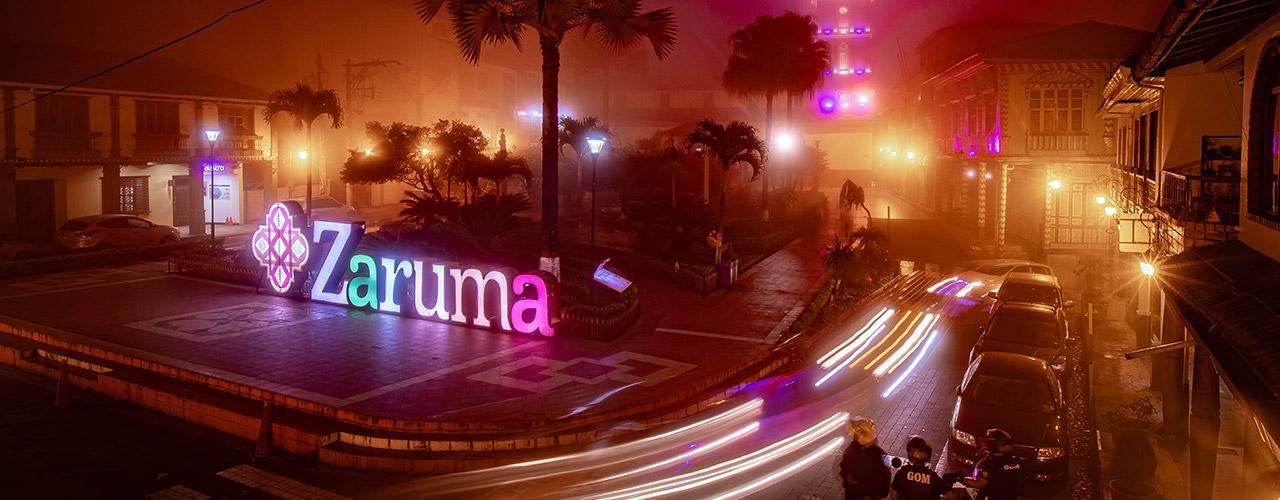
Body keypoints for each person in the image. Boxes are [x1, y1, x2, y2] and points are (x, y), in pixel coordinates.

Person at [960, 428, 1025, 500]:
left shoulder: (990, 463)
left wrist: (959, 479)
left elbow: (978, 484)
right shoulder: (1016, 461)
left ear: (991, 445)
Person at [839, 417, 890, 500]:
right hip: (853, 494)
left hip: (869, 496)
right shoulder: (852, 449)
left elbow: (886, 476)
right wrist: (847, 476)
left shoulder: (880, 454)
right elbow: (844, 466)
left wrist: (876, 495)